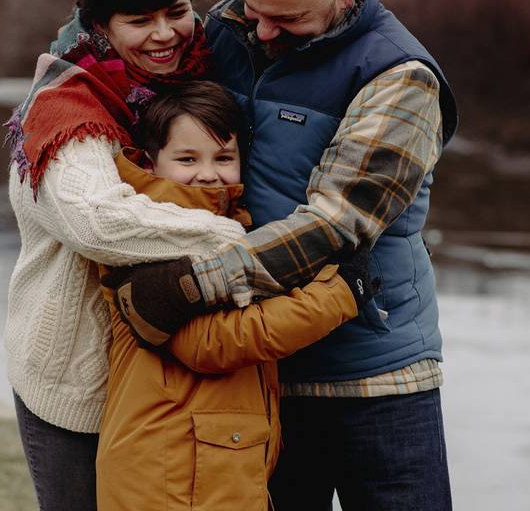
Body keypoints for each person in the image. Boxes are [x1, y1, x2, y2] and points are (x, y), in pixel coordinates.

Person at [104, 0, 460, 511]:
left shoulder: (400, 80)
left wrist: (188, 287)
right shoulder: (231, 30)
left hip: (375, 379)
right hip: (261, 374)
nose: (262, 32)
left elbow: (334, 226)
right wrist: (56, 84)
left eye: (288, 18)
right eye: (253, 6)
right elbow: (130, 59)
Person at [2, 0, 251, 511]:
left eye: (176, 11)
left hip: (166, 376)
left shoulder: (200, 81)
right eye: (139, 20)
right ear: (101, 27)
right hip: (75, 384)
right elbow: (96, 221)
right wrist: (233, 235)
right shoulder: (68, 105)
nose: (165, 34)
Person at [95, 80, 370, 511]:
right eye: (187, 159)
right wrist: (338, 294)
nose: (208, 173)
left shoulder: (231, 229)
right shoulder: (149, 232)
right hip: (169, 474)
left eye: (224, 157)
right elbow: (212, 342)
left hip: (206, 465)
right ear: (151, 163)